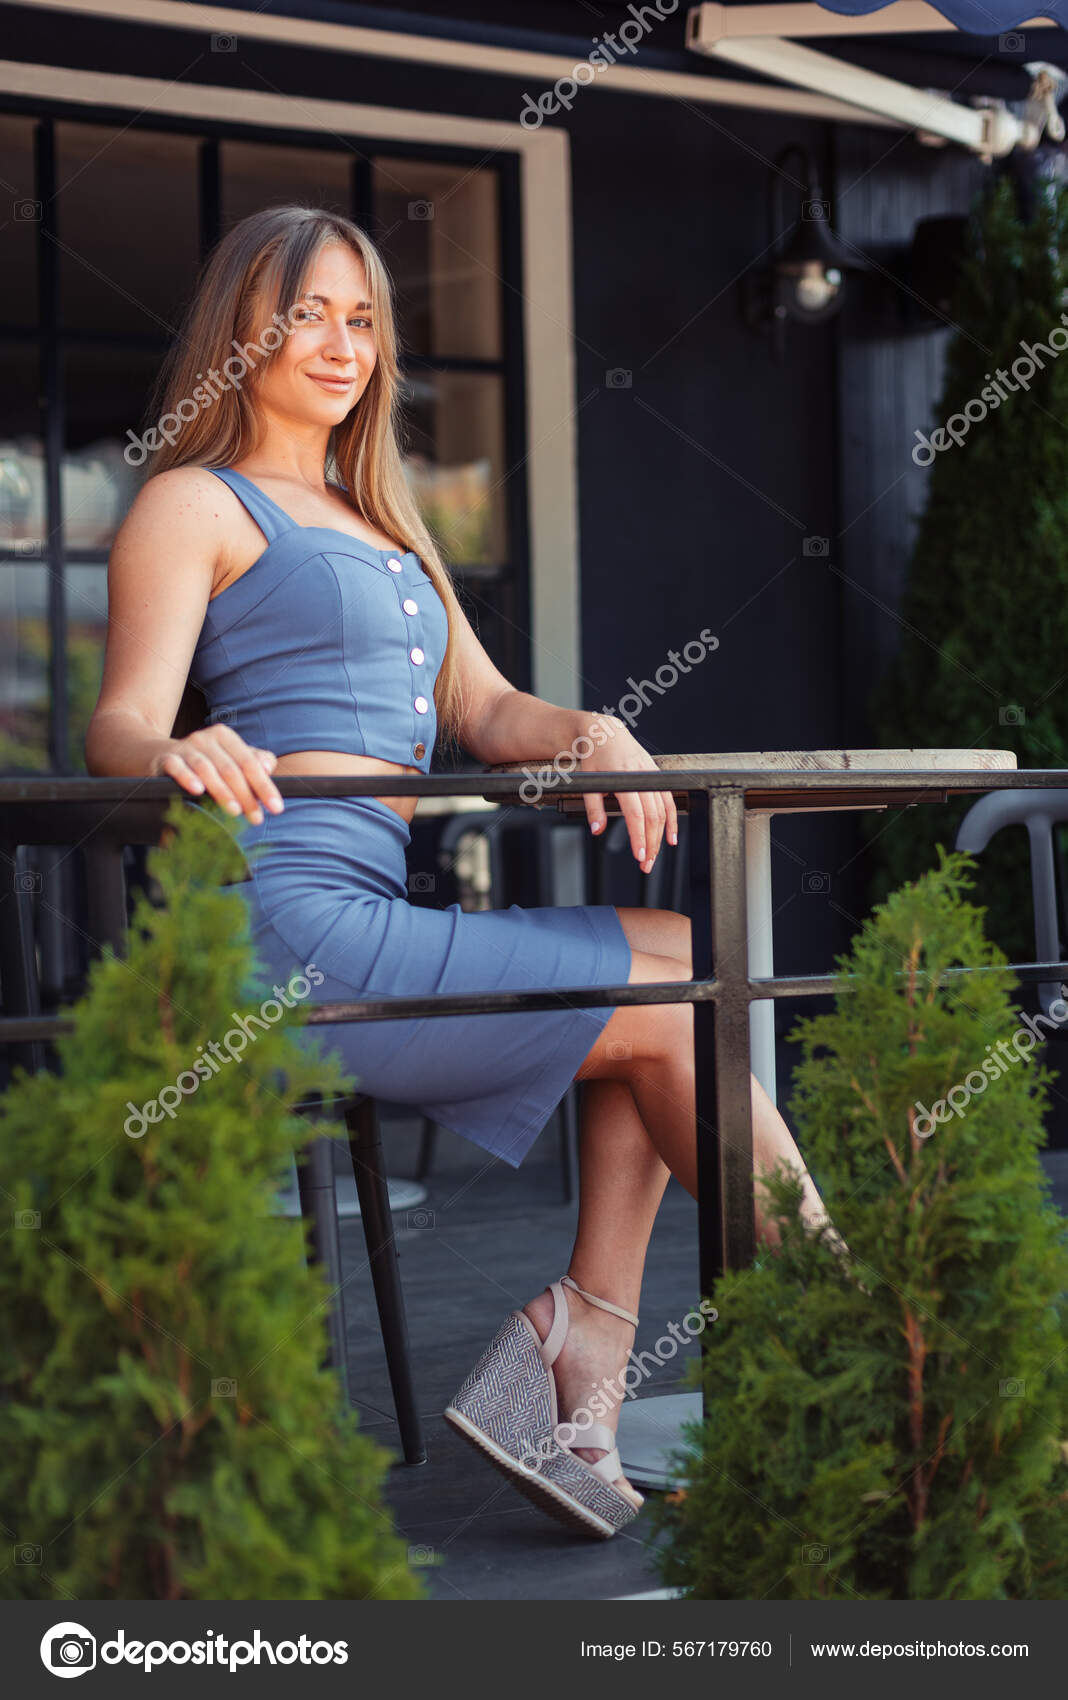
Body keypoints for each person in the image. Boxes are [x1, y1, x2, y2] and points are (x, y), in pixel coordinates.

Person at [85, 204, 846, 1541]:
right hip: (280, 932)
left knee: (675, 968)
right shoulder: (192, 502)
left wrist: (594, 731)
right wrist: (176, 746)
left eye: (364, 319)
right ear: (240, 331)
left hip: (373, 915)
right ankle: (837, 1343)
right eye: (306, 312)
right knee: (678, 991)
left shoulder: (390, 524)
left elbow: (490, 714)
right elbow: (116, 725)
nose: (339, 344)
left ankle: (586, 1358)